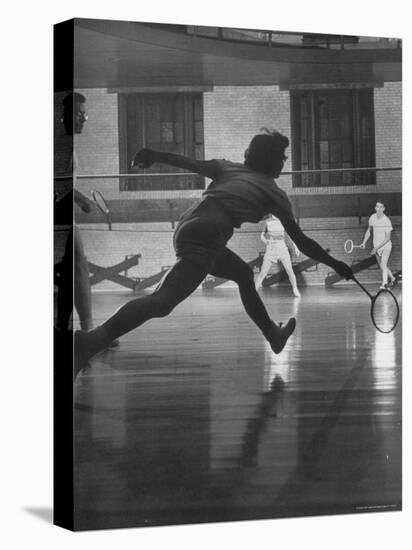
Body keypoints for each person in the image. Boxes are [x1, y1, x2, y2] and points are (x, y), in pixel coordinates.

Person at [75, 129, 353, 376]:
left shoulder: (229, 168)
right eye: (282, 156)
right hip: (208, 235)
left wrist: (153, 154)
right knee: (161, 302)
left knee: (243, 274)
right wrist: (335, 263)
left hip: (190, 227)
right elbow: (302, 242)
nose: (285, 160)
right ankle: (91, 342)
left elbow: (191, 164)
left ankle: (273, 334)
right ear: (271, 160)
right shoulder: (274, 193)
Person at [55, 92, 94, 333]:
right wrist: (82, 201)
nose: (83, 119)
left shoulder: (68, 144)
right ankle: (79, 330)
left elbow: (64, 184)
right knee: (75, 269)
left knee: (77, 268)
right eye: (79, 114)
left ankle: (77, 328)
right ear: (64, 116)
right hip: (57, 217)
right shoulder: (60, 144)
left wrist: (80, 200)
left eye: (84, 114)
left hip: (63, 217)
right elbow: (57, 187)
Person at [255, 214, 301, 297]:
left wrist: (296, 246)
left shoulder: (283, 220)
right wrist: (266, 241)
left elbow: (291, 235)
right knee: (262, 273)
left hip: (282, 247)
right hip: (271, 248)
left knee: (290, 270)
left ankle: (295, 289)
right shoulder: (267, 221)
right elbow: (261, 236)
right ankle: (253, 292)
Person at [360, 201, 396, 289]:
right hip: (376, 246)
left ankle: (384, 284)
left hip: (386, 246)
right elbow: (369, 231)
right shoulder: (372, 217)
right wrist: (364, 242)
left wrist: (376, 248)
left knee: (383, 264)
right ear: (375, 208)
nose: (379, 208)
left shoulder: (386, 220)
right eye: (377, 206)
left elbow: (388, 238)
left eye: (381, 207)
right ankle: (393, 278)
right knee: (382, 266)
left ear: (384, 209)